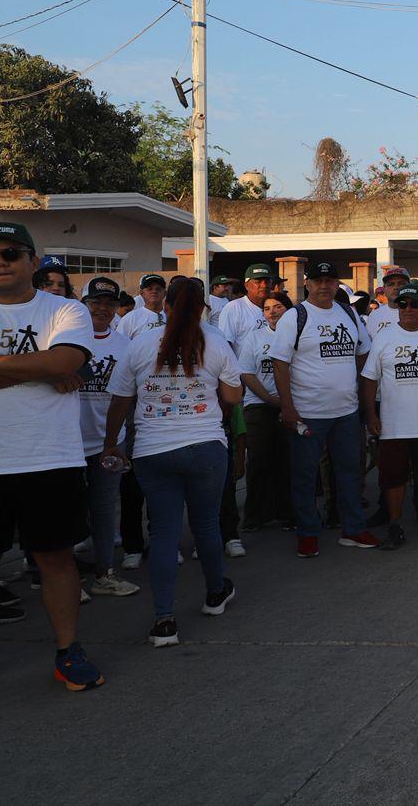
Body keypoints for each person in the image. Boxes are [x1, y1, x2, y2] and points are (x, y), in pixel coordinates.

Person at [0, 222, 105, 692]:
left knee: (55, 560)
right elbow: (55, 364)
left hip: (49, 457)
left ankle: (68, 653)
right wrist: (43, 368)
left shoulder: (64, 308)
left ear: (33, 260)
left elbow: (66, 362)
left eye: (10, 253)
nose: (0, 263)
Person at [100, 278, 240, 648]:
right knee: (206, 525)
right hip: (205, 445)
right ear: (203, 308)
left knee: (163, 532)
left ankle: (164, 621)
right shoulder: (216, 342)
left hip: (152, 450)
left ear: (166, 305)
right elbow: (232, 395)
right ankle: (215, 593)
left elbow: (120, 399)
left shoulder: (140, 343)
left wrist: (111, 443)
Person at [270, 260, 378, 556]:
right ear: (307, 283)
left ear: (336, 284)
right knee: (305, 476)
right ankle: (307, 533)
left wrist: (358, 393)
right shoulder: (295, 317)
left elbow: (363, 352)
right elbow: (280, 364)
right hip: (308, 413)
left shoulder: (349, 313)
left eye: (330, 281)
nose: (324, 286)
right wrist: (288, 407)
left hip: (346, 412)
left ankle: (353, 529)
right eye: (318, 281)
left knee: (350, 473)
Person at [361, 282, 418, 550]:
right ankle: (395, 526)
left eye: (414, 304)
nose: (408, 309)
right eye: (403, 304)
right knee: (393, 479)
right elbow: (369, 378)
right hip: (393, 424)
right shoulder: (384, 337)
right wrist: (371, 414)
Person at [73, 277, 140, 597]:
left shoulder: (126, 345)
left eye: (109, 303)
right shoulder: (66, 340)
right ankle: (65, 580)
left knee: (103, 509)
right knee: (66, 511)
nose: (102, 309)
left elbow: (131, 394)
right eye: (95, 302)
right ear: (83, 305)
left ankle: (105, 573)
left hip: (110, 441)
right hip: (68, 442)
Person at [238, 293, 294, 532]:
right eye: (267, 308)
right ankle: (256, 515)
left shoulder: (297, 335)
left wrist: (286, 402)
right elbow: (246, 373)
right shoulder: (254, 337)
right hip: (259, 405)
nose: (272, 312)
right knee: (259, 460)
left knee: (287, 461)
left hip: (290, 405)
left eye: (278, 306)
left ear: (288, 310)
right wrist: (269, 398)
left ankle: (287, 514)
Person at [215, 263, 277, 351]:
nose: (264, 285)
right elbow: (225, 343)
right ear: (247, 285)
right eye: (258, 282)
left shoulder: (278, 308)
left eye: (267, 281)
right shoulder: (234, 308)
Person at [118, 273, 168, 340]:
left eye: (158, 289)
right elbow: (119, 343)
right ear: (142, 293)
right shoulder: (130, 319)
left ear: (165, 293)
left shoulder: (173, 316)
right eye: (149, 289)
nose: (154, 291)